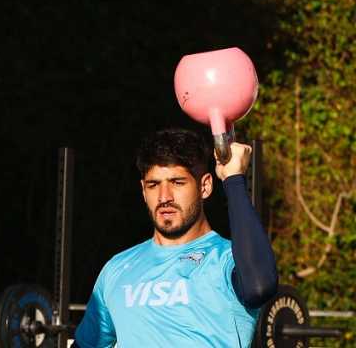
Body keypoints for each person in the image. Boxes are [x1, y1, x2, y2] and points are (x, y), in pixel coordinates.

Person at [73, 128, 278, 347]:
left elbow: (260, 287)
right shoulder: (117, 269)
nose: (164, 197)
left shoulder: (228, 260)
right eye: (154, 185)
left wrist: (234, 179)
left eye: (177, 182)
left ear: (205, 186)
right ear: (143, 190)